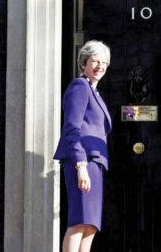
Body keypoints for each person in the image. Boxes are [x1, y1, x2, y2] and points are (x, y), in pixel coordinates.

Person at [53, 40, 112, 252]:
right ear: (83, 62)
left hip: (95, 164)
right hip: (84, 161)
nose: (100, 66)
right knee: (79, 222)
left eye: (104, 62)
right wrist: (81, 165)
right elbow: (71, 129)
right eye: (95, 61)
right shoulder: (80, 87)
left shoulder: (94, 92)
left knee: (90, 226)